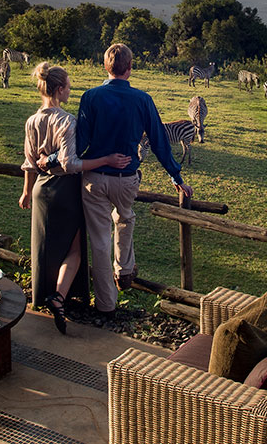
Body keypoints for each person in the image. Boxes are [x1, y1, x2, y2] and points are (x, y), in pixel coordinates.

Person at [76, 44, 195, 316]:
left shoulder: (91, 97)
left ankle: (106, 304)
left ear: (105, 67)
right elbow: (159, 139)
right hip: (127, 178)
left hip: (94, 177)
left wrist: (57, 158)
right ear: (130, 68)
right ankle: (125, 270)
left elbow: (80, 141)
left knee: (99, 240)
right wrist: (175, 175)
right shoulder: (142, 100)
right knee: (126, 218)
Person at [19, 62, 131, 334]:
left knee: (45, 245)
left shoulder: (32, 121)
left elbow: (30, 163)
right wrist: (106, 159)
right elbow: (70, 164)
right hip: (65, 189)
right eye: (68, 86)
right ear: (59, 89)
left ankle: (48, 295)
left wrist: (25, 192)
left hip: (40, 190)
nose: (70, 91)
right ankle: (58, 296)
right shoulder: (66, 121)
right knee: (76, 249)